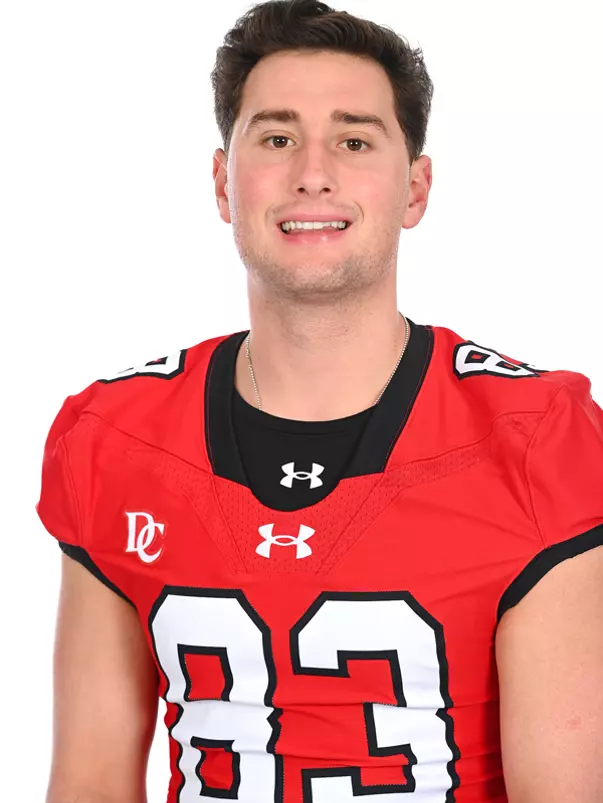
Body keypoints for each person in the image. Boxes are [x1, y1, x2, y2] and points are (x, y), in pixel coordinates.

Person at [37, 1, 603, 801]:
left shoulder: (535, 437)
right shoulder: (112, 437)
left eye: (353, 139)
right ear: (223, 184)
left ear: (415, 186)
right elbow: (90, 780)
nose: (312, 169)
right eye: (275, 138)